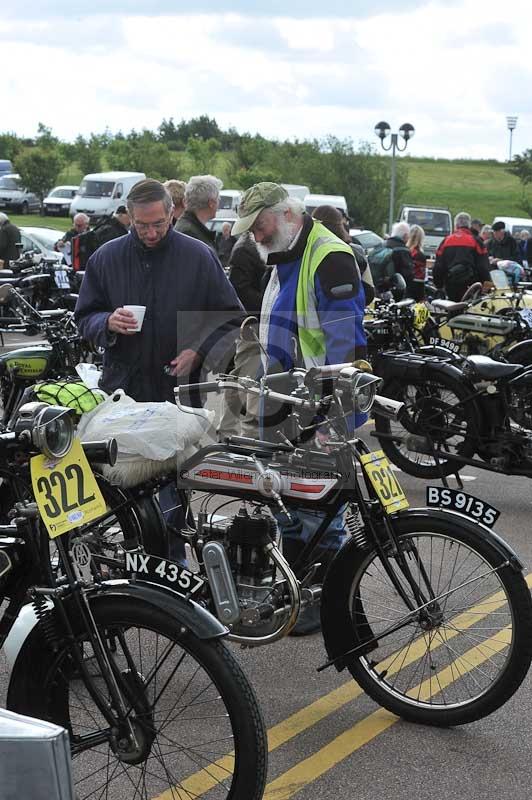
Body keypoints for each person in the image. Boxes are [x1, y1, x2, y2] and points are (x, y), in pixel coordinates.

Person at [231, 182, 367, 635]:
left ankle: (328, 601)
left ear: (287, 214)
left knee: (322, 512)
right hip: (287, 403)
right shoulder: (288, 251)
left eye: (261, 225)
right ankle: (296, 594)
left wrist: (335, 419)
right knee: (286, 502)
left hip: (318, 408)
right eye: (251, 229)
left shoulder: (327, 257)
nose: (256, 236)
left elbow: (344, 344)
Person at [75, 178, 243, 403]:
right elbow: (84, 317)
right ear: (130, 217)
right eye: (142, 225)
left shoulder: (199, 257)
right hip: (122, 393)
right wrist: (106, 322)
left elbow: (232, 318)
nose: (152, 233)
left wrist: (200, 352)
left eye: (159, 223)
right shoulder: (105, 259)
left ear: (172, 212)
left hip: (181, 394)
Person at [217, 231, 265, 440]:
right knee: (249, 380)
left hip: (251, 324)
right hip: (253, 325)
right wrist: (270, 304)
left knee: (239, 378)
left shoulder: (248, 247)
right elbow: (240, 290)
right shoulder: (247, 249)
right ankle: (247, 436)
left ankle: (229, 432)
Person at [312, 204, 375, 306]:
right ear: (340, 225)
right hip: (348, 313)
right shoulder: (356, 251)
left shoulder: (307, 251)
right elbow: (369, 291)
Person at [433, 211, 492, 301]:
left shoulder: (446, 241)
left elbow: (438, 266)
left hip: (451, 285)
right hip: (471, 286)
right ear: (469, 226)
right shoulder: (476, 241)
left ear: (455, 225)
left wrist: (439, 285)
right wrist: (487, 284)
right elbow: (483, 266)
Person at [174, 174, 221, 251]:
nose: (219, 203)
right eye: (218, 199)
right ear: (211, 203)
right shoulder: (189, 234)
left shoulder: (189, 229)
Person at [383, 221, 415, 296]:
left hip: (380, 288)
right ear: (405, 236)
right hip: (395, 291)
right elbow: (408, 275)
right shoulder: (403, 250)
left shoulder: (383, 245)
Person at [406, 224, 428, 300]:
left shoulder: (405, 251)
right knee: (423, 312)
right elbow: (420, 279)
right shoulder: (420, 255)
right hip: (416, 290)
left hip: (405, 289)